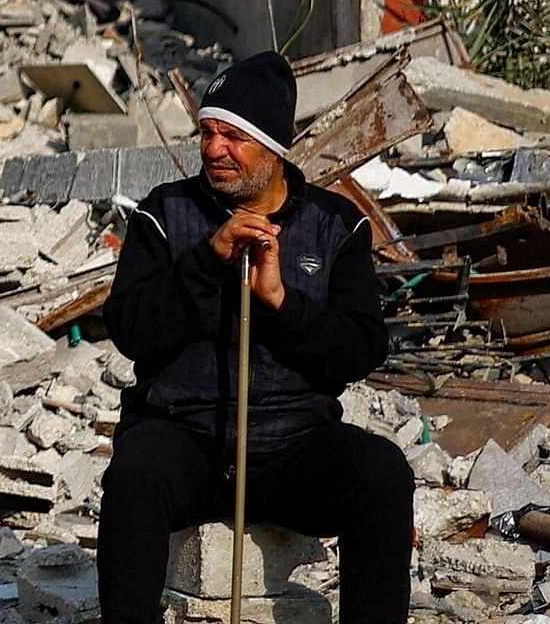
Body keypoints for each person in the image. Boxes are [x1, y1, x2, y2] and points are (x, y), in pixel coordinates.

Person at [93, 51, 411, 624]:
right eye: (207, 132)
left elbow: (361, 349)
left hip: (293, 446)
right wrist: (208, 261)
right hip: (185, 438)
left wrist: (281, 303)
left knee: (382, 474)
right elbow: (131, 331)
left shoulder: (336, 226)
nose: (214, 149)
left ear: (274, 147)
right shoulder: (164, 215)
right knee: (134, 473)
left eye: (233, 136)